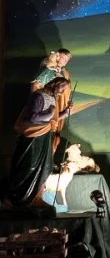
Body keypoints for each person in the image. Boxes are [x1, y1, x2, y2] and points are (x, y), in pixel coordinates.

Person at [4, 77, 71, 213]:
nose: (63, 91)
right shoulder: (39, 96)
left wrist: (65, 112)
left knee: (44, 166)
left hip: (44, 136)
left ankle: (36, 198)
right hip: (33, 137)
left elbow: (53, 118)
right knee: (29, 166)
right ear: (55, 84)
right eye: (62, 87)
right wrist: (50, 113)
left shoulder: (52, 98)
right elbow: (33, 117)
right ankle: (17, 199)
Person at [31, 49, 72, 155]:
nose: (64, 61)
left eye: (67, 59)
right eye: (62, 57)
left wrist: (65, 110)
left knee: (54, 132)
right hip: (44, 103)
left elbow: (66, 89)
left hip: (56, 102)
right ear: (57, 57)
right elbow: (36, 85)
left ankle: (49, 154)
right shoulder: (48, 70)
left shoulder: (64, 73)